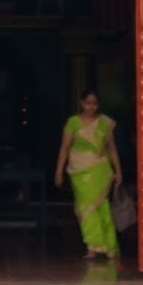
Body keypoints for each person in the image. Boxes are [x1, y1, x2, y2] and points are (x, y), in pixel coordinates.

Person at [54, 88, 121, 260]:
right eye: (88, 103)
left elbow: (112, 150)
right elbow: (64, 148)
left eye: (95, 104)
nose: (91, 107)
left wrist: (118, 172)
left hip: (100, 171)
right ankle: (93, 247)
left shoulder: (104, 123)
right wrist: (58, 172)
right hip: (80, 172)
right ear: (81, 103)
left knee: (103, 207)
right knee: (85, 208)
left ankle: (109, 246)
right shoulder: (73, 123)